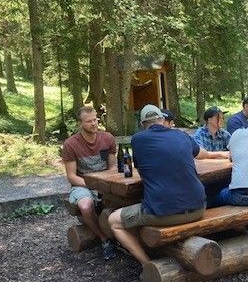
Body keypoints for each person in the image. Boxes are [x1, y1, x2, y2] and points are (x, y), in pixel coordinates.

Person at [108, 105, 211, 266]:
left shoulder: (138, 139)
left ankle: (147, 263)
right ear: (162, 120)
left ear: (142, 124)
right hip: (198, 208)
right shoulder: (182, 135)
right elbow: (200, 153)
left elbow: (141, 170)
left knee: (113, 220)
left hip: (164, 213)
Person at [62, 106, 117, 260]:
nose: (93, 123)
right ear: (80, 124)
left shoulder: (107, 138)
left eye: (95, 120)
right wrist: (93, 185)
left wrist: (107, 184)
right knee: (86, 206)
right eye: (88, 121)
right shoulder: (71, 144)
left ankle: (123, 236)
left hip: (105, 182)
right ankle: (104, 239)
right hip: (82, 184)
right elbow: (72, 177)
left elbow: (112, 168)